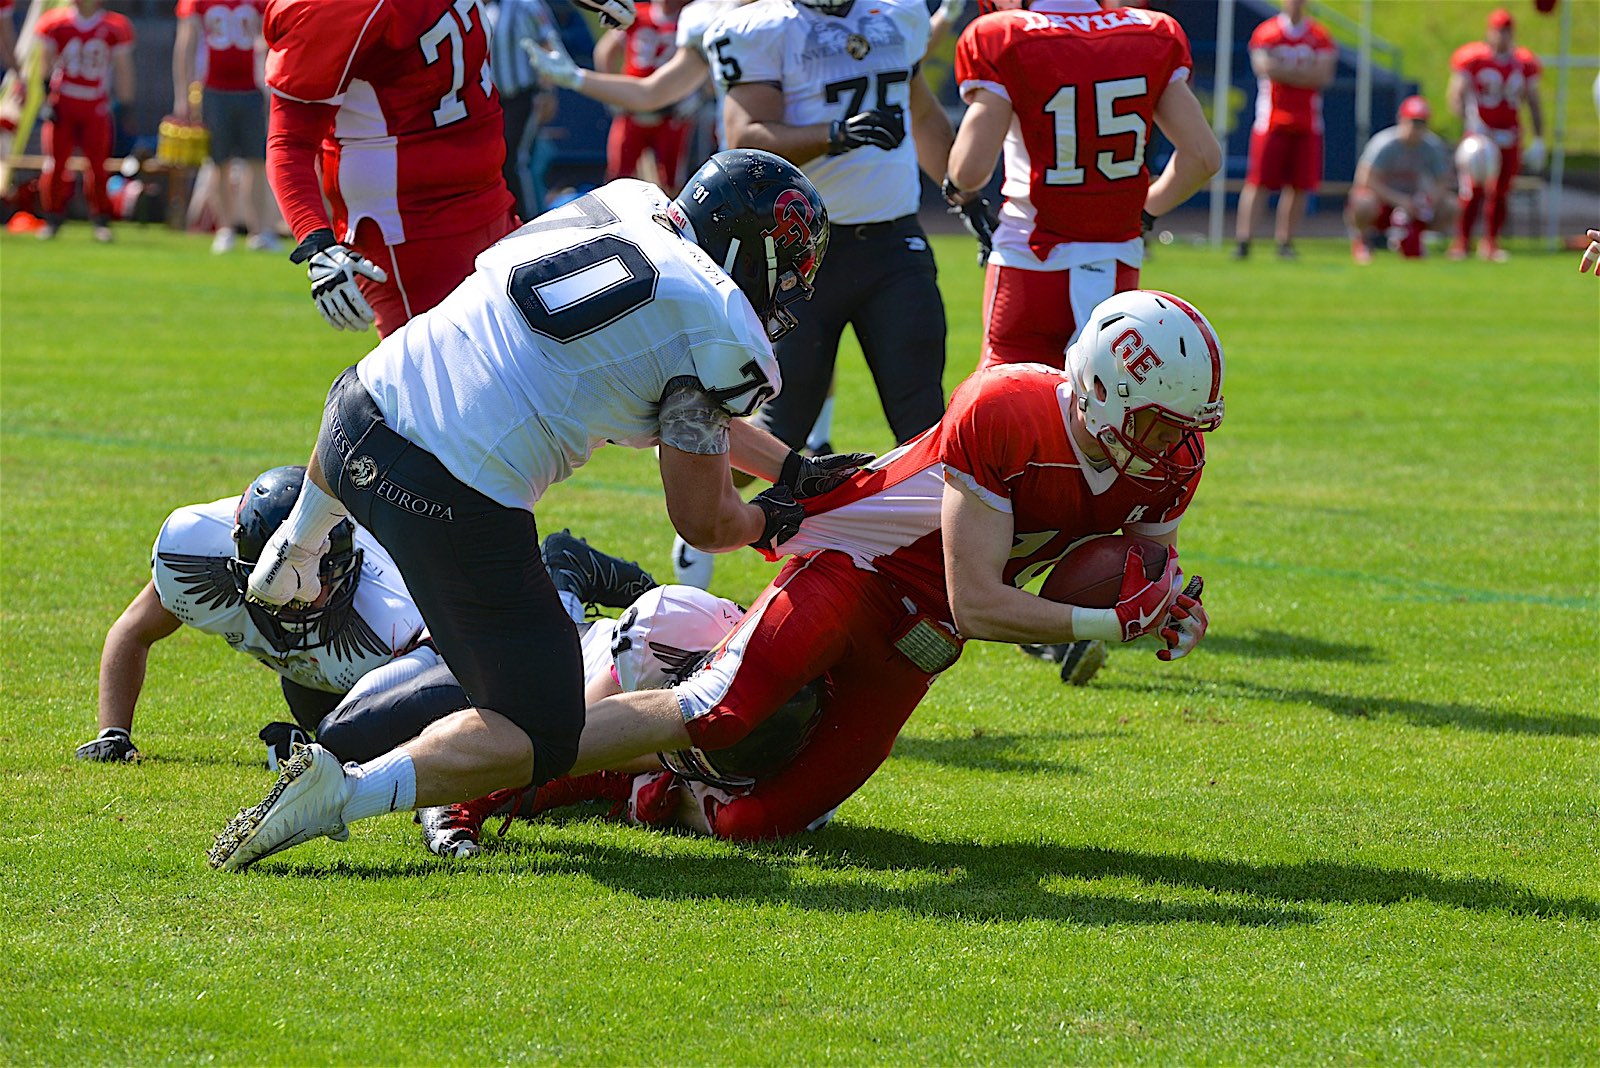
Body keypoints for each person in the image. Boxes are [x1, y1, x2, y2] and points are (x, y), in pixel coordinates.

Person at [204, 150, 864, 873]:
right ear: (752, 252)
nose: (797, 279)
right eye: (794, 258)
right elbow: (702, 518)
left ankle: (298, 541)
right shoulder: (718, 323)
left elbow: (672, 399)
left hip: (354, 412)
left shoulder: (629, 204)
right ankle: (344, 793)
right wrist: (767, 520)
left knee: (385, 399)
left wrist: (792, 469)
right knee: (543, 729)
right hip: (449, 486)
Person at [431, 288, 1227, 850]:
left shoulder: (1171, 461)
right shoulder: (1006, 409)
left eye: (1185, 426)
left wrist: (1167, 606)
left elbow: (1145, 566)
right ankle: (479, 789)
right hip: (860, 569)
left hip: (924, 638)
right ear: (1097, 391)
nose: (1176, 444)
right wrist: (1106, 620)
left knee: (763, 822)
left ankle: (625, 785)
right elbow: (979, 600)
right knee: (722, 713)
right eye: (1159, 423)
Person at [711, 0, 955, 455]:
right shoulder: (764, 26)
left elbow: (920, 112)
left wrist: (966, 193)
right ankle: (698, 524)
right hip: (800, 256)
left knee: (924, 422)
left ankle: (931, 527)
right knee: (781, 430)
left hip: (893, 245)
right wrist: (836, 134)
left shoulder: (899, 13)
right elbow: (746, 136)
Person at [75, 466, 425, 769]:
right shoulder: (199, 555)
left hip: (368, 682)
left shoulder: (392, 611)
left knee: (361, 737)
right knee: (316, 709)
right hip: (310, 678)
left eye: (321, 576)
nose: (306, 597)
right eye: (287, 580)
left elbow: (441, 694)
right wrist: (114, 734)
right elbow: (134, 630)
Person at [945, 0, 1220, 370]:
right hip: (1117, 262)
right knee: (1101, 408)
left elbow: (968, 171)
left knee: (1006, 405)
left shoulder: (1003, 36)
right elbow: (1203, 158)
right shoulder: (1151, 33)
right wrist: (1142, 211)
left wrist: (960, 188)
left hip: (1030, 261)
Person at [261, 0, 523, 337]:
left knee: (521, 370)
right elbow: (289, 142)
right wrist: (317, 240)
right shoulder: (340, 9)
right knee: (442, 379)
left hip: (489, 197)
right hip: (410, 226)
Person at [1232, 0, 1335, 261]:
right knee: (1258, 181)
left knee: (1299, 185)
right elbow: (1264, 67)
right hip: (1272, 120)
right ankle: (1244, 240)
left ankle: (1285, 241)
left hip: (1308, 120)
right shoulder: (1268, 32)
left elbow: (1323, 75)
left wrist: (1285, 71)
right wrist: (1302, 72)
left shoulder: (1319, 35)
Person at [173, 0, 277, 254]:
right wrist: (182, 95)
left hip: (253, 89)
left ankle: (259, 230)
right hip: (213, 89)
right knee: (219, 162)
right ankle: (225, 228)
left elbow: (273, 37)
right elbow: (185, 45)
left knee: (257, 160)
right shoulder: (198, 2)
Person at [32, 0, 135, 243]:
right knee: (56, 164)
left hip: (95, 103)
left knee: (98, 166)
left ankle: (101, 220)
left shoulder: (115, 26)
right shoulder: (56, 22)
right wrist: (46, 100)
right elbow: (45, 62)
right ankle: (53, 217)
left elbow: (123, 68)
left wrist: (127, 104)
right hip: (64, 101)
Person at [1448, 7, 1544, 264]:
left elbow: (1533, 101)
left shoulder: (1524, 62)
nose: (1502, 36)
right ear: (1489, 31)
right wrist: (1469, 124)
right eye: (1498, 31)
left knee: (1500, 192)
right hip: (1480, 136)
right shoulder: (1473, 58)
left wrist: (1538, 138)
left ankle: (1490, 243)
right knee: (1472, 190)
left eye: (1506, 31)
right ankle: (1462, 242)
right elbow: (1455, 95)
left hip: (1509, 136)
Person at [594, 0, 695, 191]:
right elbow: (604, 53)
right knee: (618, 179)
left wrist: (692, 95)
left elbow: (704, 62)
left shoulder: (691, 18)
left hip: (671, 110)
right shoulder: (637, 15)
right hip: (633, 107)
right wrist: (612, 94)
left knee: (671, 181)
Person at [1345, 95, 1455, 265]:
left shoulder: (1432, 146)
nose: (1417, 129)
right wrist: (1399, 200)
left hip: (1414, 203)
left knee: (1450, 205)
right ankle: (1363, 241)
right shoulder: (1385, 143)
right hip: (1384, 201)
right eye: (1414, 122)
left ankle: (1417, 239)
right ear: (1402, 120)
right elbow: (1365, 179)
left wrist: (1429, 200)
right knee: (1363, 201)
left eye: (1422, 123)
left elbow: (1443, 180)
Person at [487, 0, 565, 220]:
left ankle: (530, 220)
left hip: (524, 95)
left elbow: (548, 45)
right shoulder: (489, 8)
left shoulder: (526, 5)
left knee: (518, 160)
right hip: (496, 102)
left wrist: (547, 91)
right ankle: (508, 218)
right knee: (500, 161)